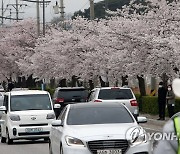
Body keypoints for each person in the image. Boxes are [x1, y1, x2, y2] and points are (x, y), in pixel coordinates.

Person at [153, 79, 180, 154]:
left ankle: (162, 116)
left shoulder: (173, 126)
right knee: (167, 111)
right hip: (165, 103)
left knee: (170, 111)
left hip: (169, 103)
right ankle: (161, 116)